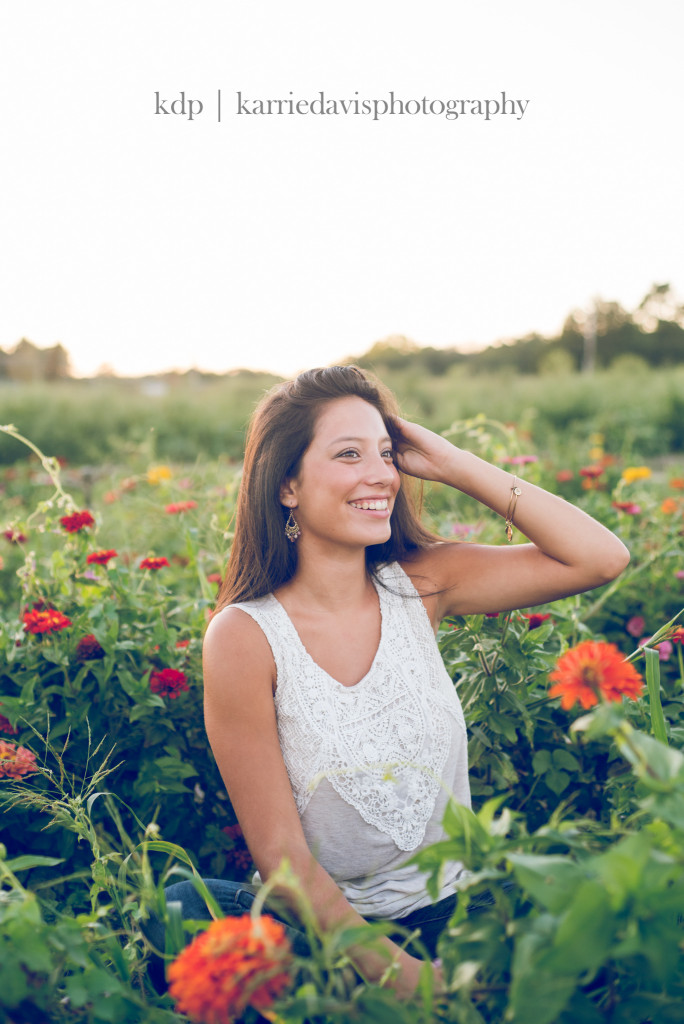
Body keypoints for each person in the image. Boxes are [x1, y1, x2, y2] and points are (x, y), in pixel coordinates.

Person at [164, 365, 630, 998]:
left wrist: (457, 464)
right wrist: (397, 974)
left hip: (464, 915)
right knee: (181, 907)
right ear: (287, 486)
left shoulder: (419, 585)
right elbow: (281, 854)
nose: (381, 474)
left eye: (386, 453)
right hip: (338, 932)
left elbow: (600, 558)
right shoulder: (245, 637)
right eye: (348, 453)